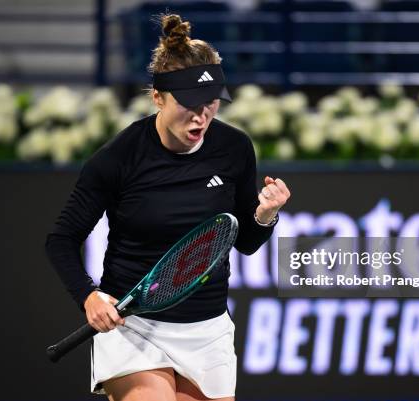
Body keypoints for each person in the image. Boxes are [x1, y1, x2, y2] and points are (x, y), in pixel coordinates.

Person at [45, 13, 290, 401]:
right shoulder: (118, 158)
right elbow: (61, 239)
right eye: (188, 103)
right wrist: (89, 296)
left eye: (211, 103)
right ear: (157, 97)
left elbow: (242, 241)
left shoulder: (235, 149)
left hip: (208, 328)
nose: (201, 115)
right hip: (134, 327)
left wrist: (264, 216)